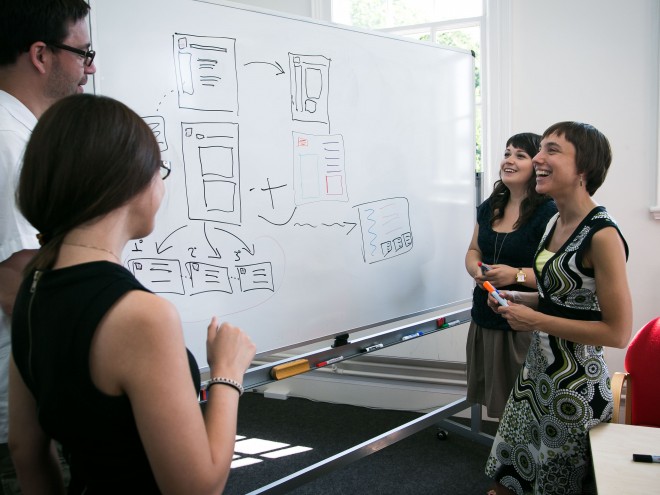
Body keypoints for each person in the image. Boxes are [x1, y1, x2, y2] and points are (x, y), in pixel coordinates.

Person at [8, 94, 257, 494]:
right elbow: (198, 488)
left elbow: (26, 450)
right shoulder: (142, 316)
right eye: (160, 170)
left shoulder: (32, 288)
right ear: (127, 181)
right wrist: (228, 373)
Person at [485, 122, 633, 495]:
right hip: (536, 375)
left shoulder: (603, 235)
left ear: (583, 168)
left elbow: (617, 332)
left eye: (552, 150)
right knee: (511, 475)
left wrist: (534, 319)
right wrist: (521, 299)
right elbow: (563, 301)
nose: (537, 158)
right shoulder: (555, 220)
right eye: (541, 150)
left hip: (573, 388)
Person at [0, 1, 95, 491]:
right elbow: (20, 288)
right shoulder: (11, 144)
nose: (91, 67)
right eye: (83, 53)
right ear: (41, 54)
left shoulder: (25, 135)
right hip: (15, 412)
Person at [465, 133, 557, 419]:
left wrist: (514, 275)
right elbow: (473, 251)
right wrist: (478, 272)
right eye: (507, 153)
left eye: (520, 155)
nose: (509, 160)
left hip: (522, 322)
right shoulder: (489, 207)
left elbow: (555, 274)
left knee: (526, 407)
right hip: (485, 314)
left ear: (537, 166)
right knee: (500, 407)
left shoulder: (549, 212)